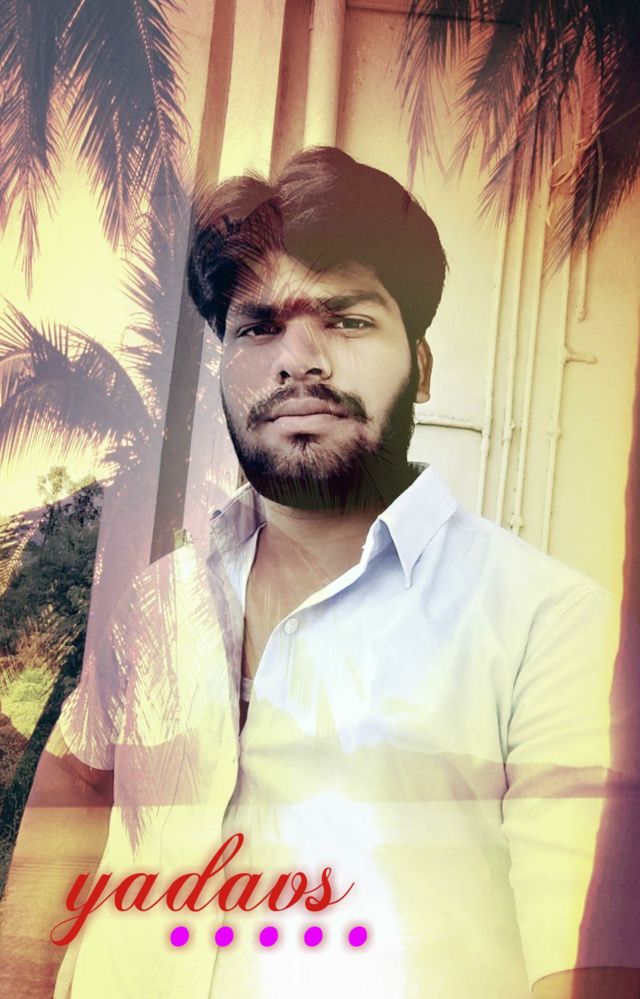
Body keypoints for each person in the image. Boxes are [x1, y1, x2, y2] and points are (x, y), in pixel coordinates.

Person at [3, 147, 639, 999]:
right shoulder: (160, 601)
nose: (298, 359)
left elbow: (585, 959)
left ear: (422, 365)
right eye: (258, 327)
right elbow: (81, 782)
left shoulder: (550, 628)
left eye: (346, 319)